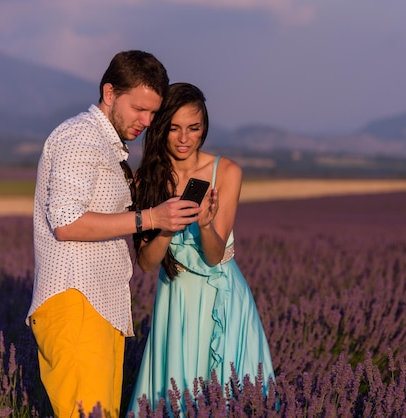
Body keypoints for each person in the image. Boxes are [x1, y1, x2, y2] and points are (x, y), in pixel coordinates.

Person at [26, 51, 202, 418]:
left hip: (99, 305)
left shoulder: (108, 146)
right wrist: (150, 216)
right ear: (109, 93)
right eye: (139, 109)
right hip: (75, 300)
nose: (147, 121)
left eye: (154, 114)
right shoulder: (80, 137)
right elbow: (67, 223)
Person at [127, 82, 275, 414]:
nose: (184, 138)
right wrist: (166, 228)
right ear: (160, 128)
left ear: (204, 128)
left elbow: (213, 256)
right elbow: (147, 263)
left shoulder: (227, 172)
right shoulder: (144, 180)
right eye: (175, 128)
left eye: (194, 128)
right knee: (176, 392)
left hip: (219, 293)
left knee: (229, 392)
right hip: (175, 297)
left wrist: (205, 224)